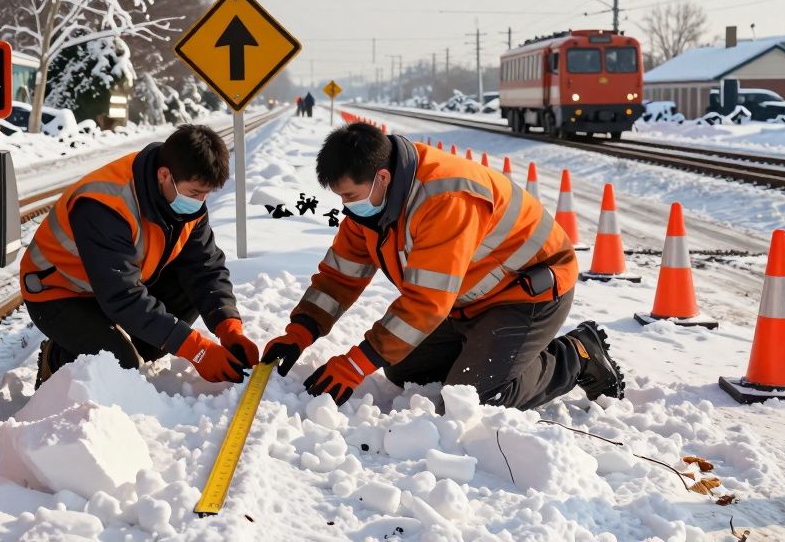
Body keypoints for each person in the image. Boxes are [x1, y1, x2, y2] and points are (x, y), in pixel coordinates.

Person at [261, 123, 625, 409]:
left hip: (527, 293)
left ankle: (576, 354)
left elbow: (425, 301)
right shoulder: (371, 206)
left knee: (475, 397)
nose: (345, 206)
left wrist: (356, 363)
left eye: (350, 196)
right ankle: (483, 348)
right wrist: (300, 332)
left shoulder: (446, 198)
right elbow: (340, 276)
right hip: (467, 299)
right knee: (404, 369)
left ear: (382, 178)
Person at [22, 124, 260, 387]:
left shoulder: (186, 200)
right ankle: (58, 357)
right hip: (59, 293)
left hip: (115, 283)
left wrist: (228, 326)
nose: (200, 201)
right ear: (164, 175)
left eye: (206, 195)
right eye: (195, 193)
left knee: (162, 331)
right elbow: (122, 297)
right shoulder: (105, 205)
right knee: (121, 365)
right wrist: (196, 349)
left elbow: (204, 267)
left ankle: (113, 340)